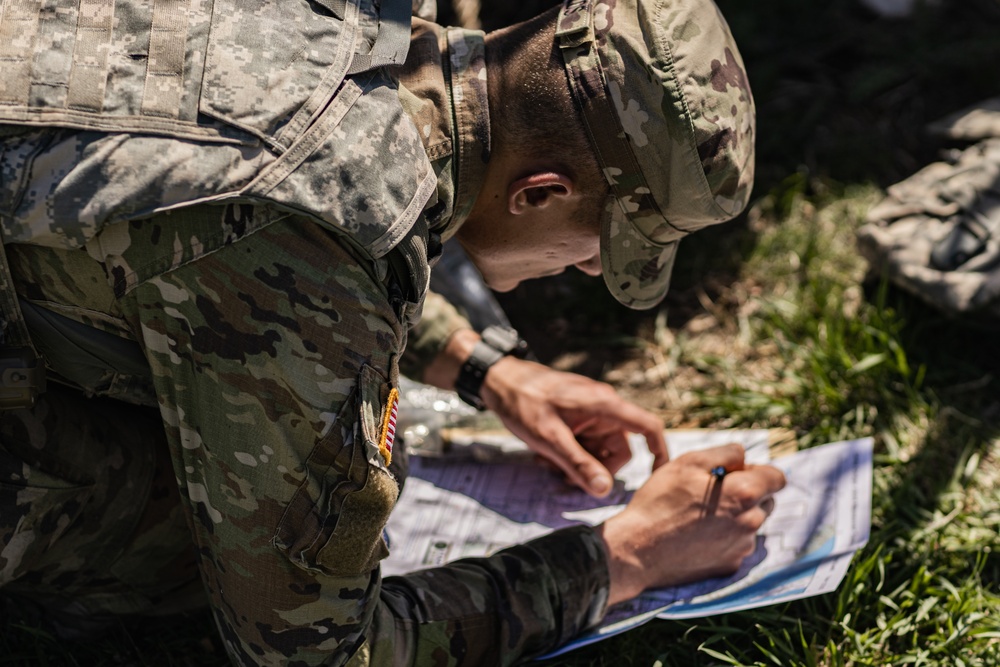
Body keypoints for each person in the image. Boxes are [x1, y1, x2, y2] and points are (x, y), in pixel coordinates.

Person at [0, 0, 785, 664]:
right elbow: (314, 650)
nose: (586, 272)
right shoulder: (309, 242)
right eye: (602, 247)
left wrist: (483, 368)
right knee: (224, 530)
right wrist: (624, 557)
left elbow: (274, 225)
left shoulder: (369, 33)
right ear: (540, 191)